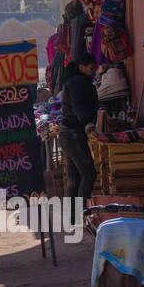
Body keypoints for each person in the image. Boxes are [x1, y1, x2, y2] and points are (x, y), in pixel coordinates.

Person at [59, 53, 100, 203]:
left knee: (75, 177)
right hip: (73, 133)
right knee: (88, 174)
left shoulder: (76, 81)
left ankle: (73, 217)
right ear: (81, 67)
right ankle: (82, 213)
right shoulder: (77, 82)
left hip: (69, 133)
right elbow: (78, 105)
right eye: (91, 68)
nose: (94, 71)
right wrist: (87, 122)